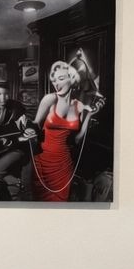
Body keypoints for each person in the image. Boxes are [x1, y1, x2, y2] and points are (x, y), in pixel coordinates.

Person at [29, 60, 103, 202]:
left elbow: (78, 139)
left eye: (61, 78)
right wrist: (28, 130)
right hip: (43, 162)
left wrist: (89, 116)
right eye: (54, 80)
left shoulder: (78, 105)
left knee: (61, 203)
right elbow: (35, 124)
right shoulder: (49, 99)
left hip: (64, 163)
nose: (57, 84)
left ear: (72, 78)